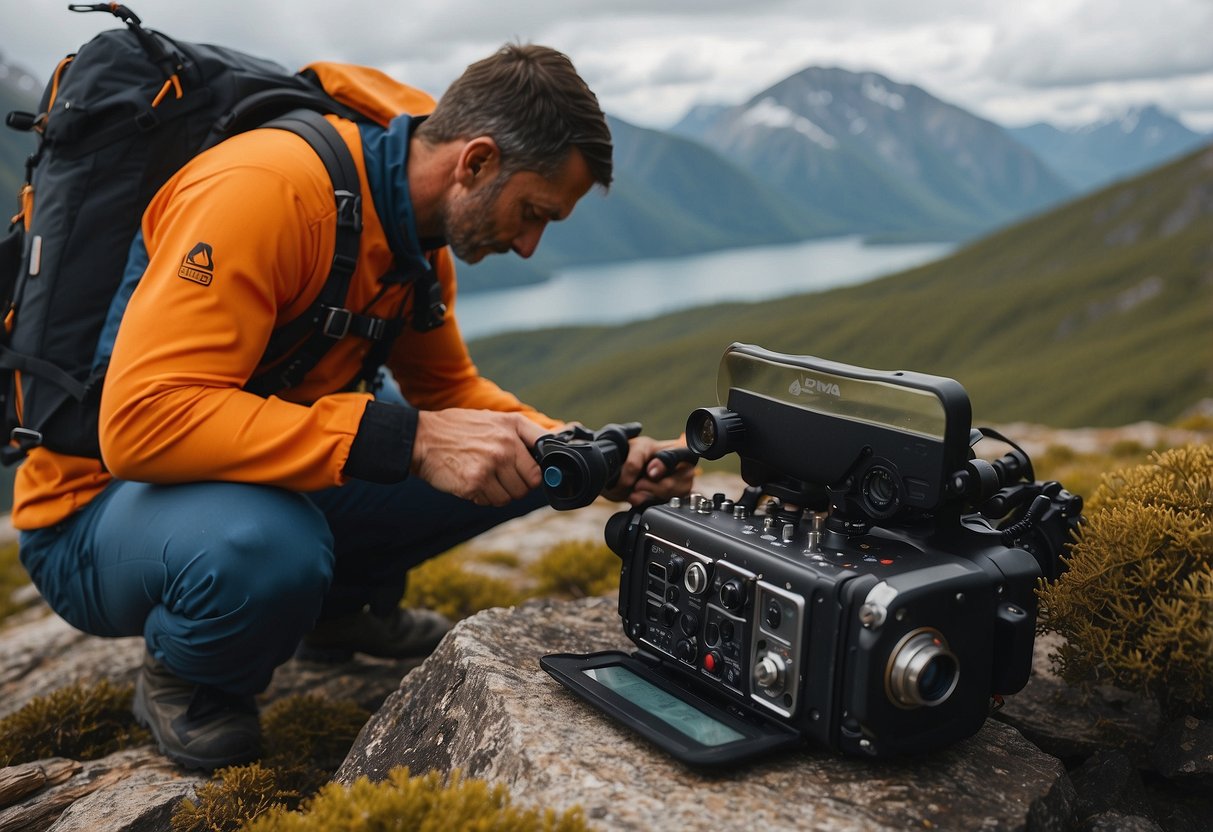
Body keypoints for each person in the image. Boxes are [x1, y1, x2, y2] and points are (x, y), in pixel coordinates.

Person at [12, 44, 695, 771]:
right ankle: (192, 672)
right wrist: (409, 440)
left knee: (509, 454)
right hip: (98, 513)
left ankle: (339, 608)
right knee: (273, 543)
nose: (529, 245)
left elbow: (453, 396)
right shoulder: (267, 189)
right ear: (476, 162)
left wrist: (588, 452)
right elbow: (140, 425)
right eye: (532, 212)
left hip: (237, 475)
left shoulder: (411, 241)